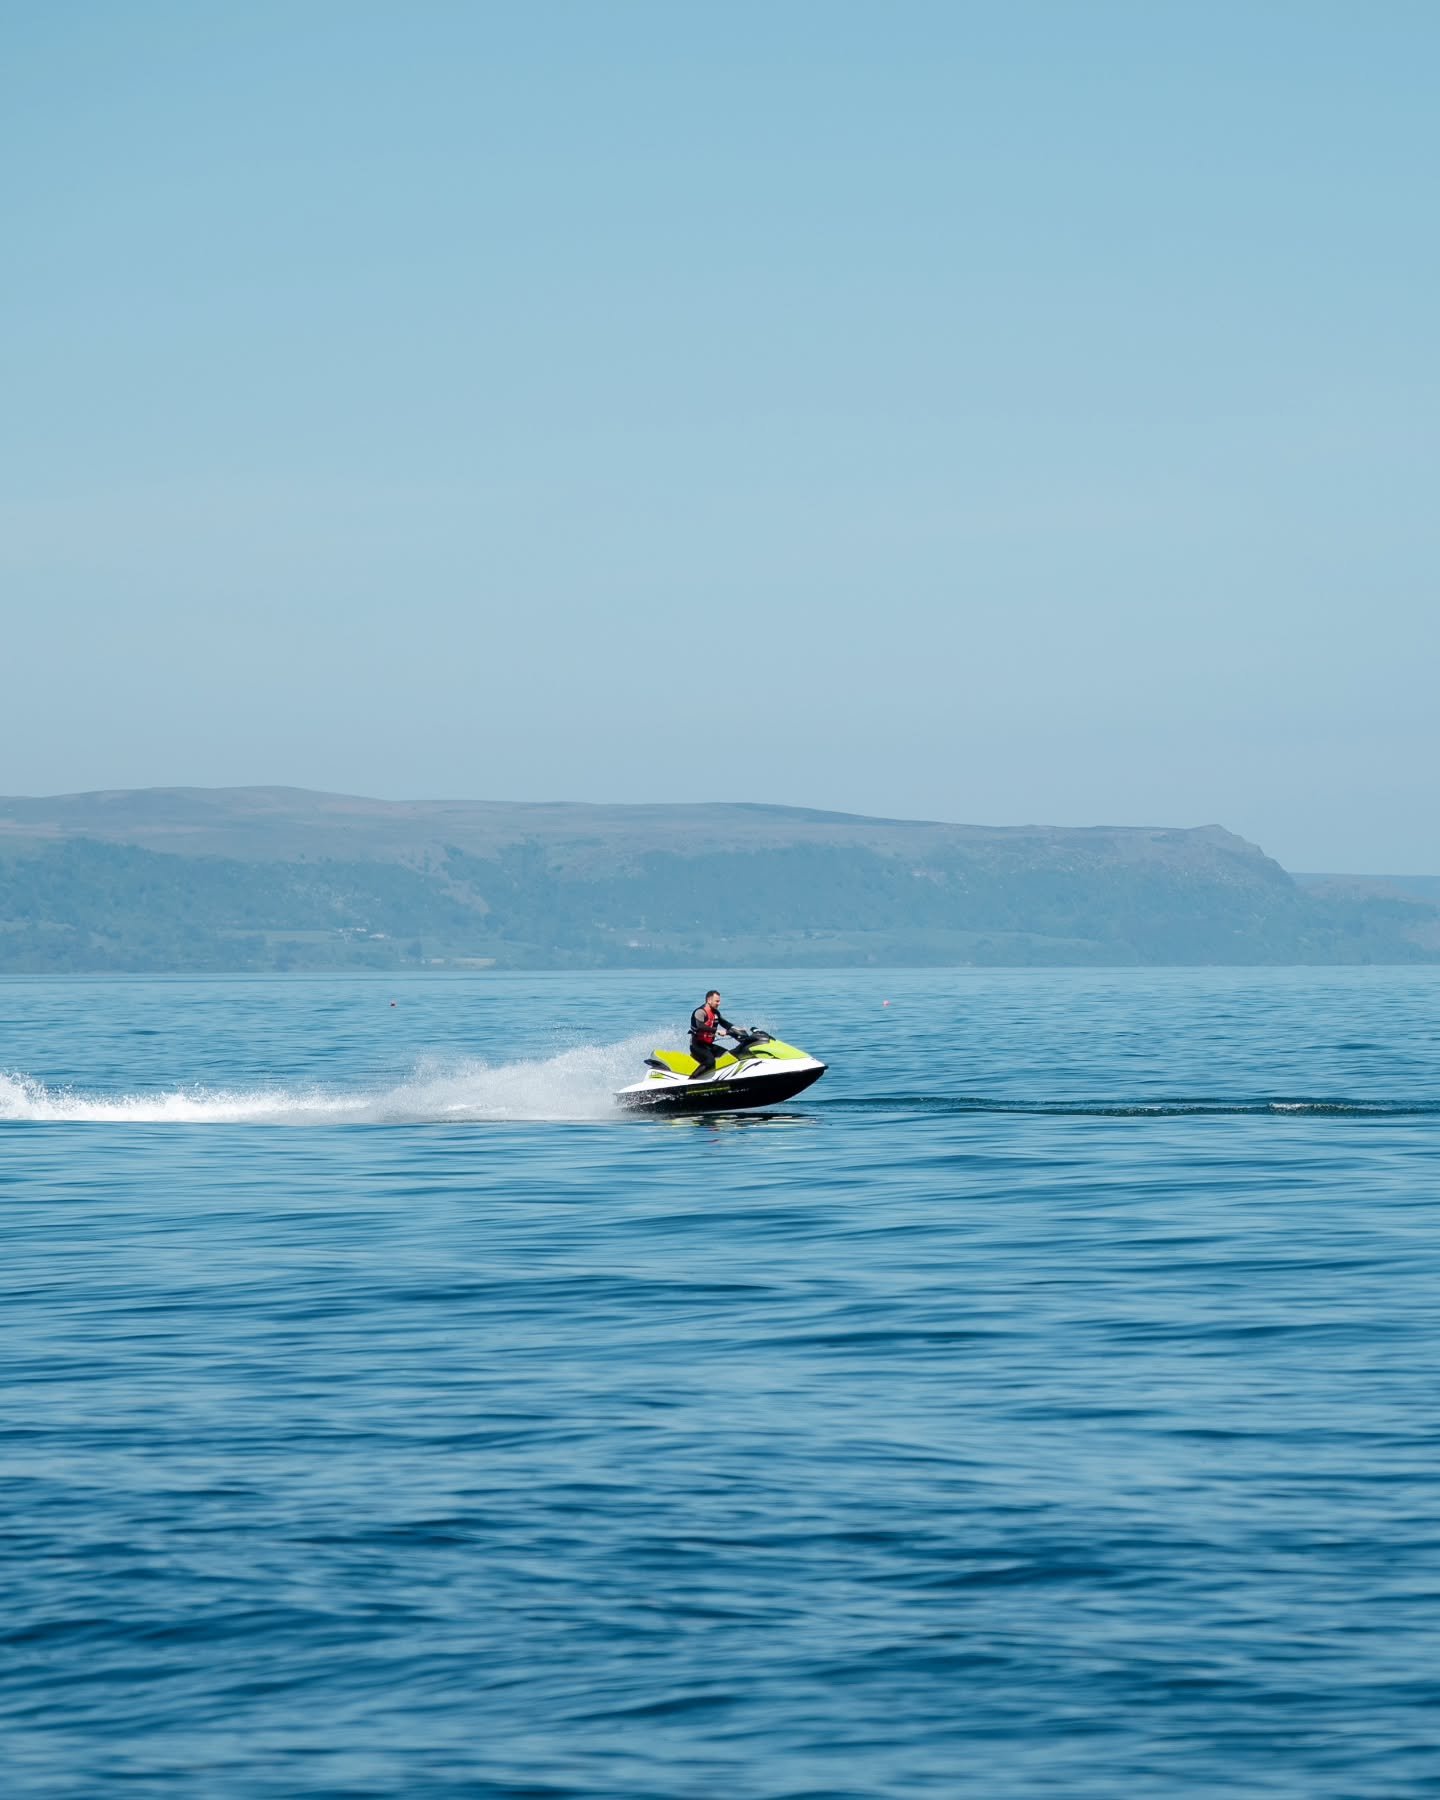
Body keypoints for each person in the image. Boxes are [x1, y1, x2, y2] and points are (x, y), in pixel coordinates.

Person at [689, 990, 743, 1080]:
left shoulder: (716, 1013)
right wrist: (717, 1031)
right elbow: (700, 1026)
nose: (719, 1003)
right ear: (709, 1000)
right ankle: (691, 1080)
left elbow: (725, 1023)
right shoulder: (700, 1012)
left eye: (719, 1001)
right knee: (710, 1062)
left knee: (729, 1057)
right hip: (697, 1045)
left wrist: (737, 1029)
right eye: (717, 1001)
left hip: (708, 1046)